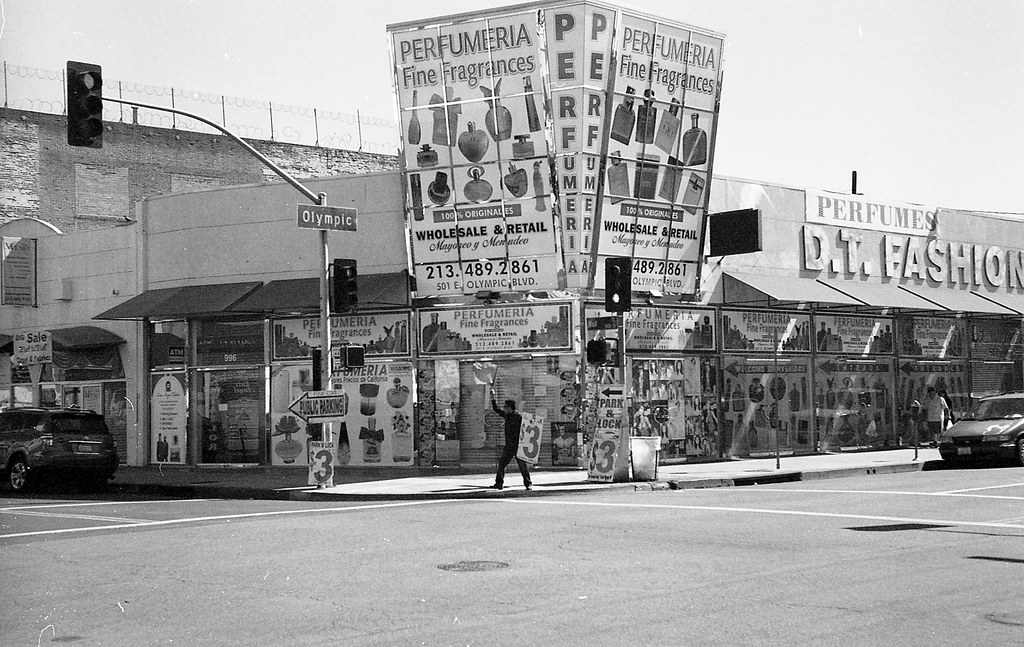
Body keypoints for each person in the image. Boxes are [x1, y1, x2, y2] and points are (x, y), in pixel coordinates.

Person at [489, 387, 531, 491]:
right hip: (509, 445)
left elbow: (527, 429)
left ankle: (528, 483)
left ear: (510, 407)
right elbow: (496, 409)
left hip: (517, 445)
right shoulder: (507, 416)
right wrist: (493, 397)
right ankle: (499, 483)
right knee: (502, 464)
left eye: (505, 407)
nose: (504, 409)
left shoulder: (518, 417)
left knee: (522, 465)